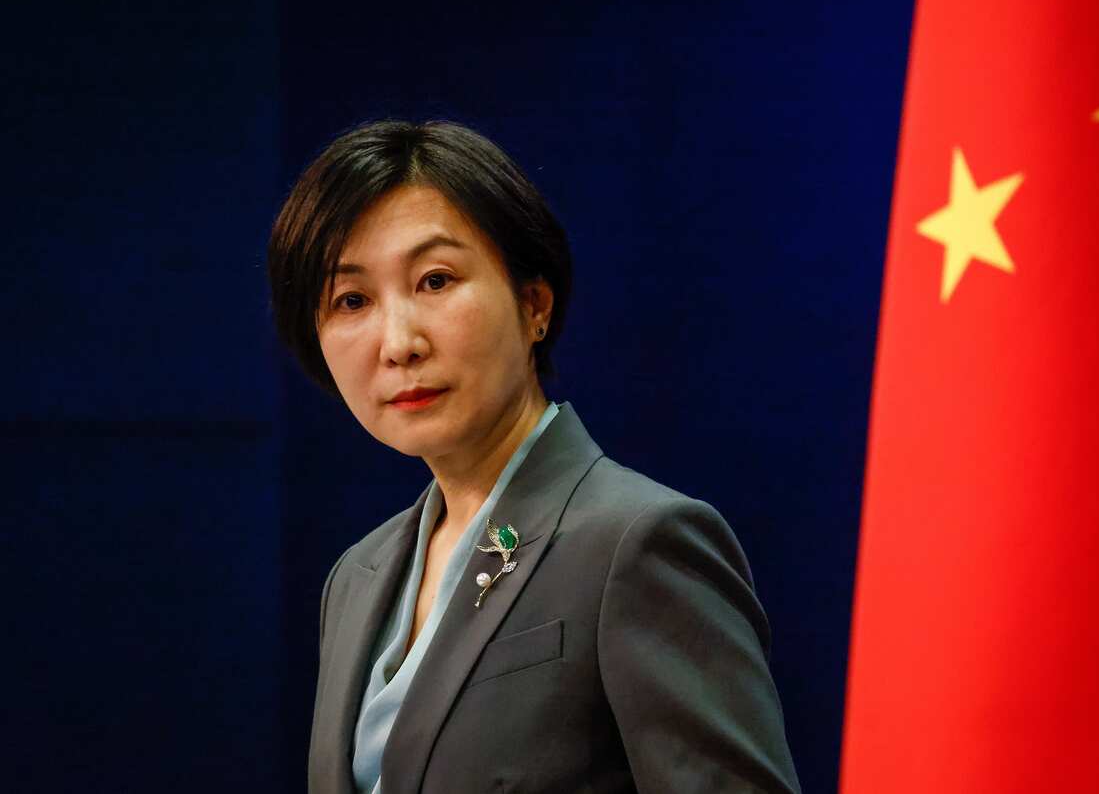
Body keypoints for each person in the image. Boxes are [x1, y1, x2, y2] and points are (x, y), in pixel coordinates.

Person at [267, 119, 801, 794]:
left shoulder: (637, 542)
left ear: (533, 304)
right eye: (351, 300)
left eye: (435, 280)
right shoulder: (356, 577)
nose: (397, 342)